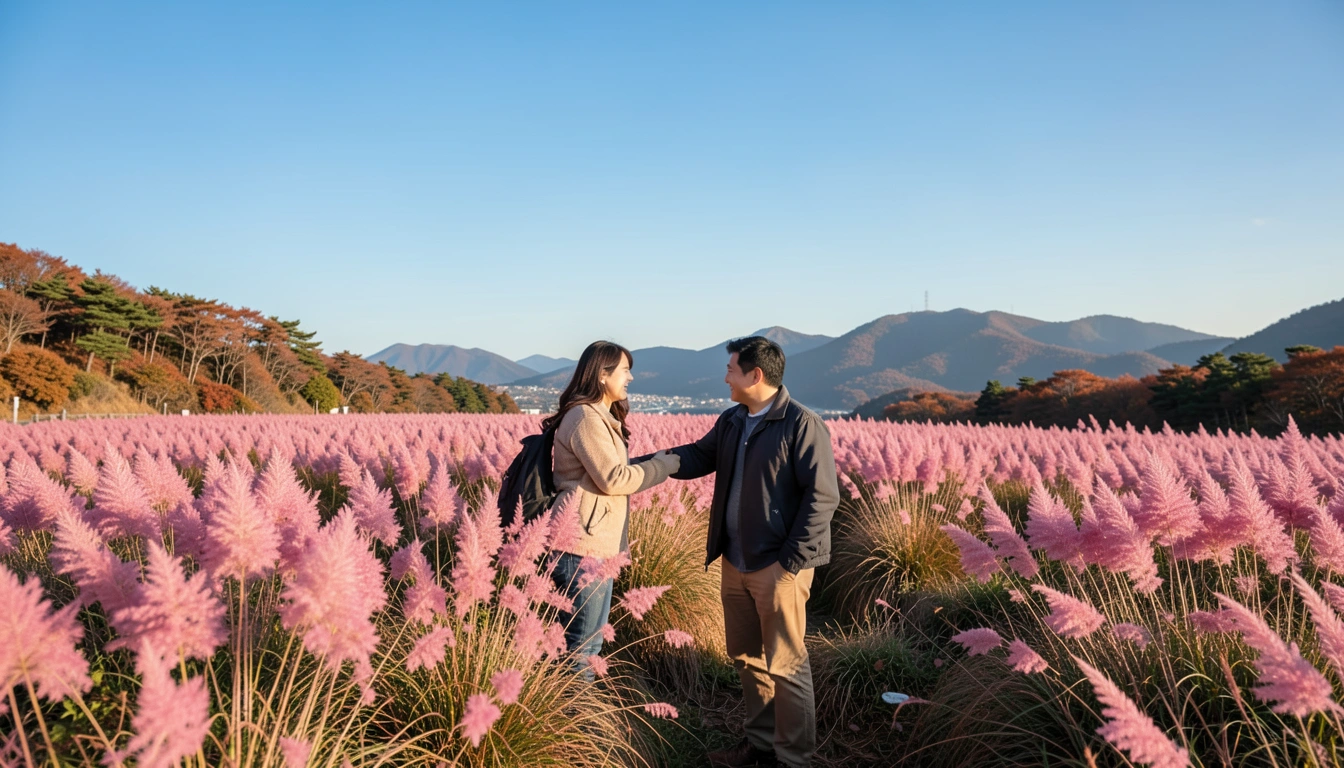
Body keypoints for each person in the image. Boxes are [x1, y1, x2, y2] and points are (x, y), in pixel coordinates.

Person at [665, 336, 838, 768]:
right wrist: (641, 467)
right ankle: (760, 745)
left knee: (786, 664)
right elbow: (697, 457)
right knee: (747, 657)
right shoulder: (732, 420)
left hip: (777, 566)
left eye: (730, 369)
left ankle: (793, 757)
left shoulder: (801, 424)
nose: (725, 376)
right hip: (735, 561)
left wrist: (790, 561)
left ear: (754, 375)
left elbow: (823, 497)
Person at [543, 340, 680, 672]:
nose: (630, 378)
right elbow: (613, 479)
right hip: (580, 546)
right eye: (624, 370)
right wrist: (664, 467)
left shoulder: (597, 415)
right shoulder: (585, 417)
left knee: (590, 643)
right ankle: (574, 718)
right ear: (602, 375)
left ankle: (575, 714)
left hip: (593, 544)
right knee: (581, 645)